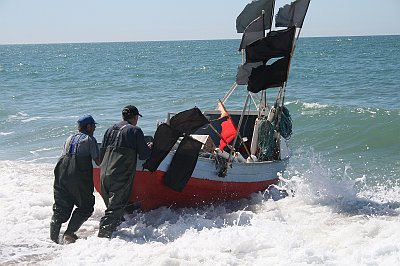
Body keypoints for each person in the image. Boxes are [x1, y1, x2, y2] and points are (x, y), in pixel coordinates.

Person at [98, 105, 152, 238]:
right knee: (115, 209)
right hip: (120, 174)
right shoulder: (135, 130)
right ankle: (102, 240)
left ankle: (115, 236)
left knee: (113, 207)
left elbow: (101, 154)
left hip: (104, 173)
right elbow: (144, 155)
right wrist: (149, 147)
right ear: (135, 117)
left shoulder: (109, 129)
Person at [50, 115, 100, 244]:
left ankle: (53, 241)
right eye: (93, 125)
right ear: (88, 126)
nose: (94, 127)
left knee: (61, 207)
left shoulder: (69, 138)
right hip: (78, 173)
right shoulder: (90, 139)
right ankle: (69, 233)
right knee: (86, 206)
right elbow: (98, 161)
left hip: (61, 172)